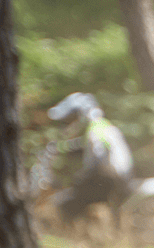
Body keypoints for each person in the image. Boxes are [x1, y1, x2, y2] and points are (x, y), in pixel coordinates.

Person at [46, 92, 134, 225]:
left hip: (110, 178)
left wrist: (80, 178)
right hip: (120, 176)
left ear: (80, 115)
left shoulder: (95, 130)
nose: (70, 124)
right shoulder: (103, 126)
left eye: (71, 119)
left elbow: (99, 159)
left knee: (65, 202)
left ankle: (72, 237)